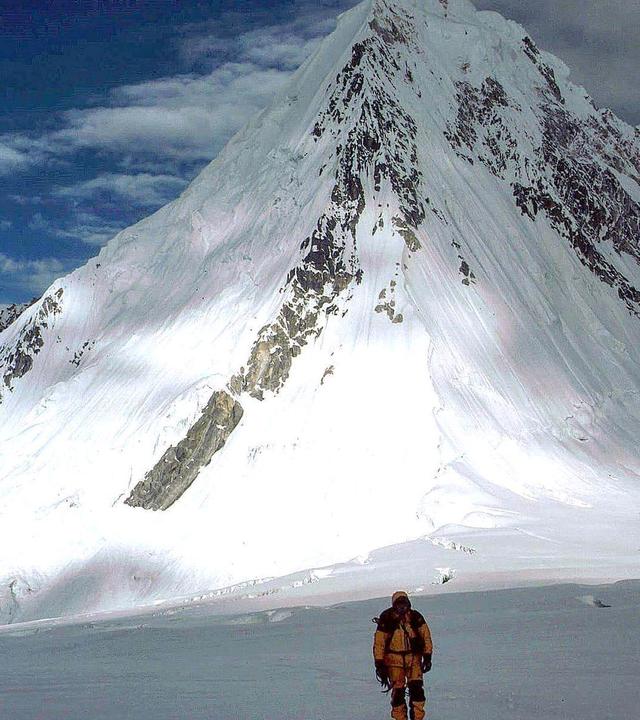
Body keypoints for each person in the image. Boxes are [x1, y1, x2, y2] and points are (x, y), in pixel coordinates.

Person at [372, 591, 433, 720]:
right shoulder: (387, 618)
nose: (402, 607)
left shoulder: (415, 617)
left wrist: (427, 656)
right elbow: (379, 643)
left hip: (414, 660)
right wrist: (379, 663)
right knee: (398, 694)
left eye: (404, 604)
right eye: (399, 604)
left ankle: (417, 717)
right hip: (394, 662)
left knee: (417, 692)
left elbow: (426, 637)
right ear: (394, 605)